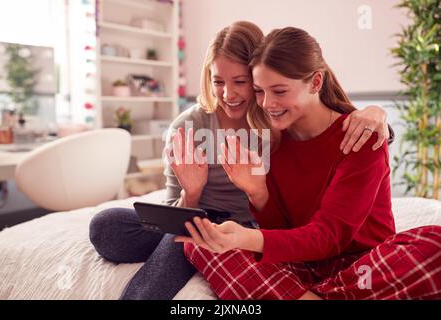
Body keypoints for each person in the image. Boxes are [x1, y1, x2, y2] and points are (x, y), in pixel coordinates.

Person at [89, 21, 391, 300]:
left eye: (241, 82)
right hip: (197, 217)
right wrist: (191, 194)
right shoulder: (190, 127)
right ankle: (203, 244)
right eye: (218, 81)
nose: (228, 93)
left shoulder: (276, 126)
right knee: (109, 226)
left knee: (193, 241)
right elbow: (172, 218)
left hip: (247, 227)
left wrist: (377, 116)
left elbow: (332, 132)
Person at [177, 26, 441, 300]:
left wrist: (246, 237)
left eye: (279, 91)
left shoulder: (361, 136)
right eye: (259, 91)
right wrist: (258, 194)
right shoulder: (272, 140)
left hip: (364, 265)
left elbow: (330, 236)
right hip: (303, 266)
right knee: (200, 244)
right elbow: (283, 233)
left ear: (315, 83)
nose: (267, 103)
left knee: (435, 244)